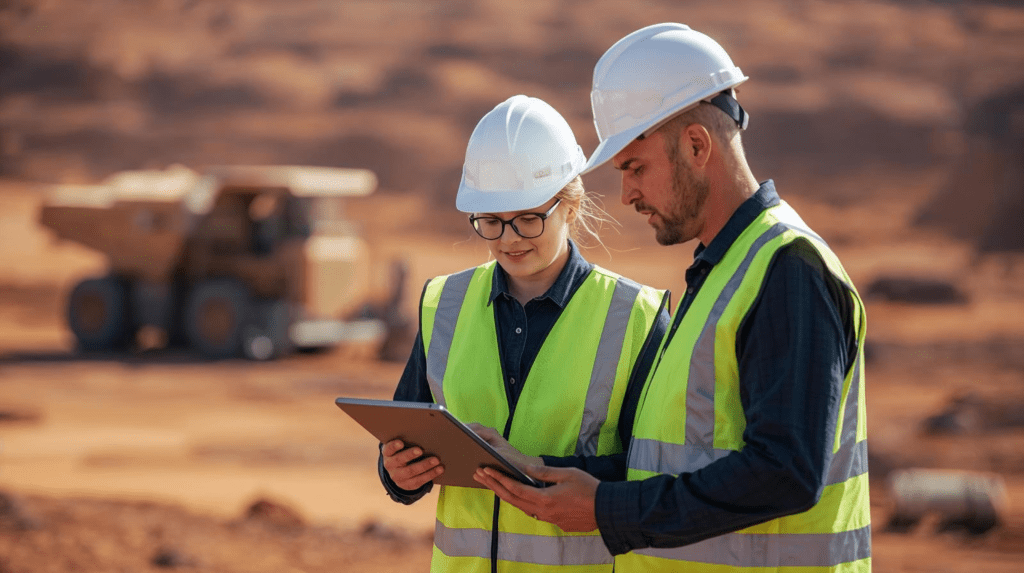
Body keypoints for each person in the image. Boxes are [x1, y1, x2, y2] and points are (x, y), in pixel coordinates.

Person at [472, 23, 871, 572]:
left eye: (635, 168)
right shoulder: (724, 271)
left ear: (696, 145)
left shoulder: (786, 270)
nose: (627, 194)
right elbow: (689, 458)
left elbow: (785, 473)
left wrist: (607, 508)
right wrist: (555, 473)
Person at [378, 94, 671, 572]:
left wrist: (533, 468)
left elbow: (656, 475)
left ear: (571, 205)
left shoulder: (634, 316)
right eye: (491, 222)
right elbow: (408, 440)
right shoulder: (443, 305)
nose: (510, 239)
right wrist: (398, 473)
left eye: (529, 218)